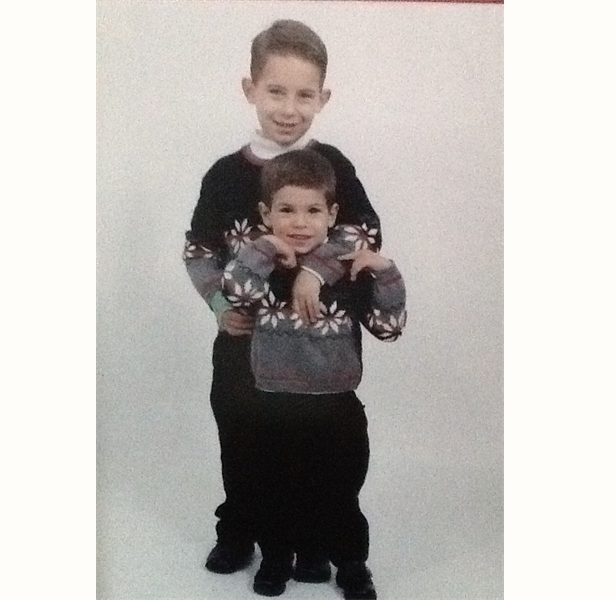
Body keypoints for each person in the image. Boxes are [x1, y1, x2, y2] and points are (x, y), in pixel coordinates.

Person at [183, 19, 383, 582]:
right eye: (276, 91)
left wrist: (315, 272)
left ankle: (309, 542)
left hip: (317, 346)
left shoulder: (335, 167)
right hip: (243, 346)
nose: (289, 109)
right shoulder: (225, 176)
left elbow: (364, 235)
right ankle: (239, 530)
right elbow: (199, 250)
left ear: (323, 97)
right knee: (242, 442)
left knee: (315, 452)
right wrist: (220, 307)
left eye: (303, 95)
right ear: (250, 89)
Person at [221, 149, 406, 599]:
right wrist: (266, 248)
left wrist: (385, 273)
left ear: (332, 215)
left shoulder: (347, 272)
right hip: (272, 404)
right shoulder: (260, 265)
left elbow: (388, 328)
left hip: (335, 408)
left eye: (313, 211)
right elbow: (237, 292)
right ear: (266, 214)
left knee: (339, 493)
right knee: (275, 489)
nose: (300, 223)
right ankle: (276, 559)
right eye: (286, 210)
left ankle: (352, 565)